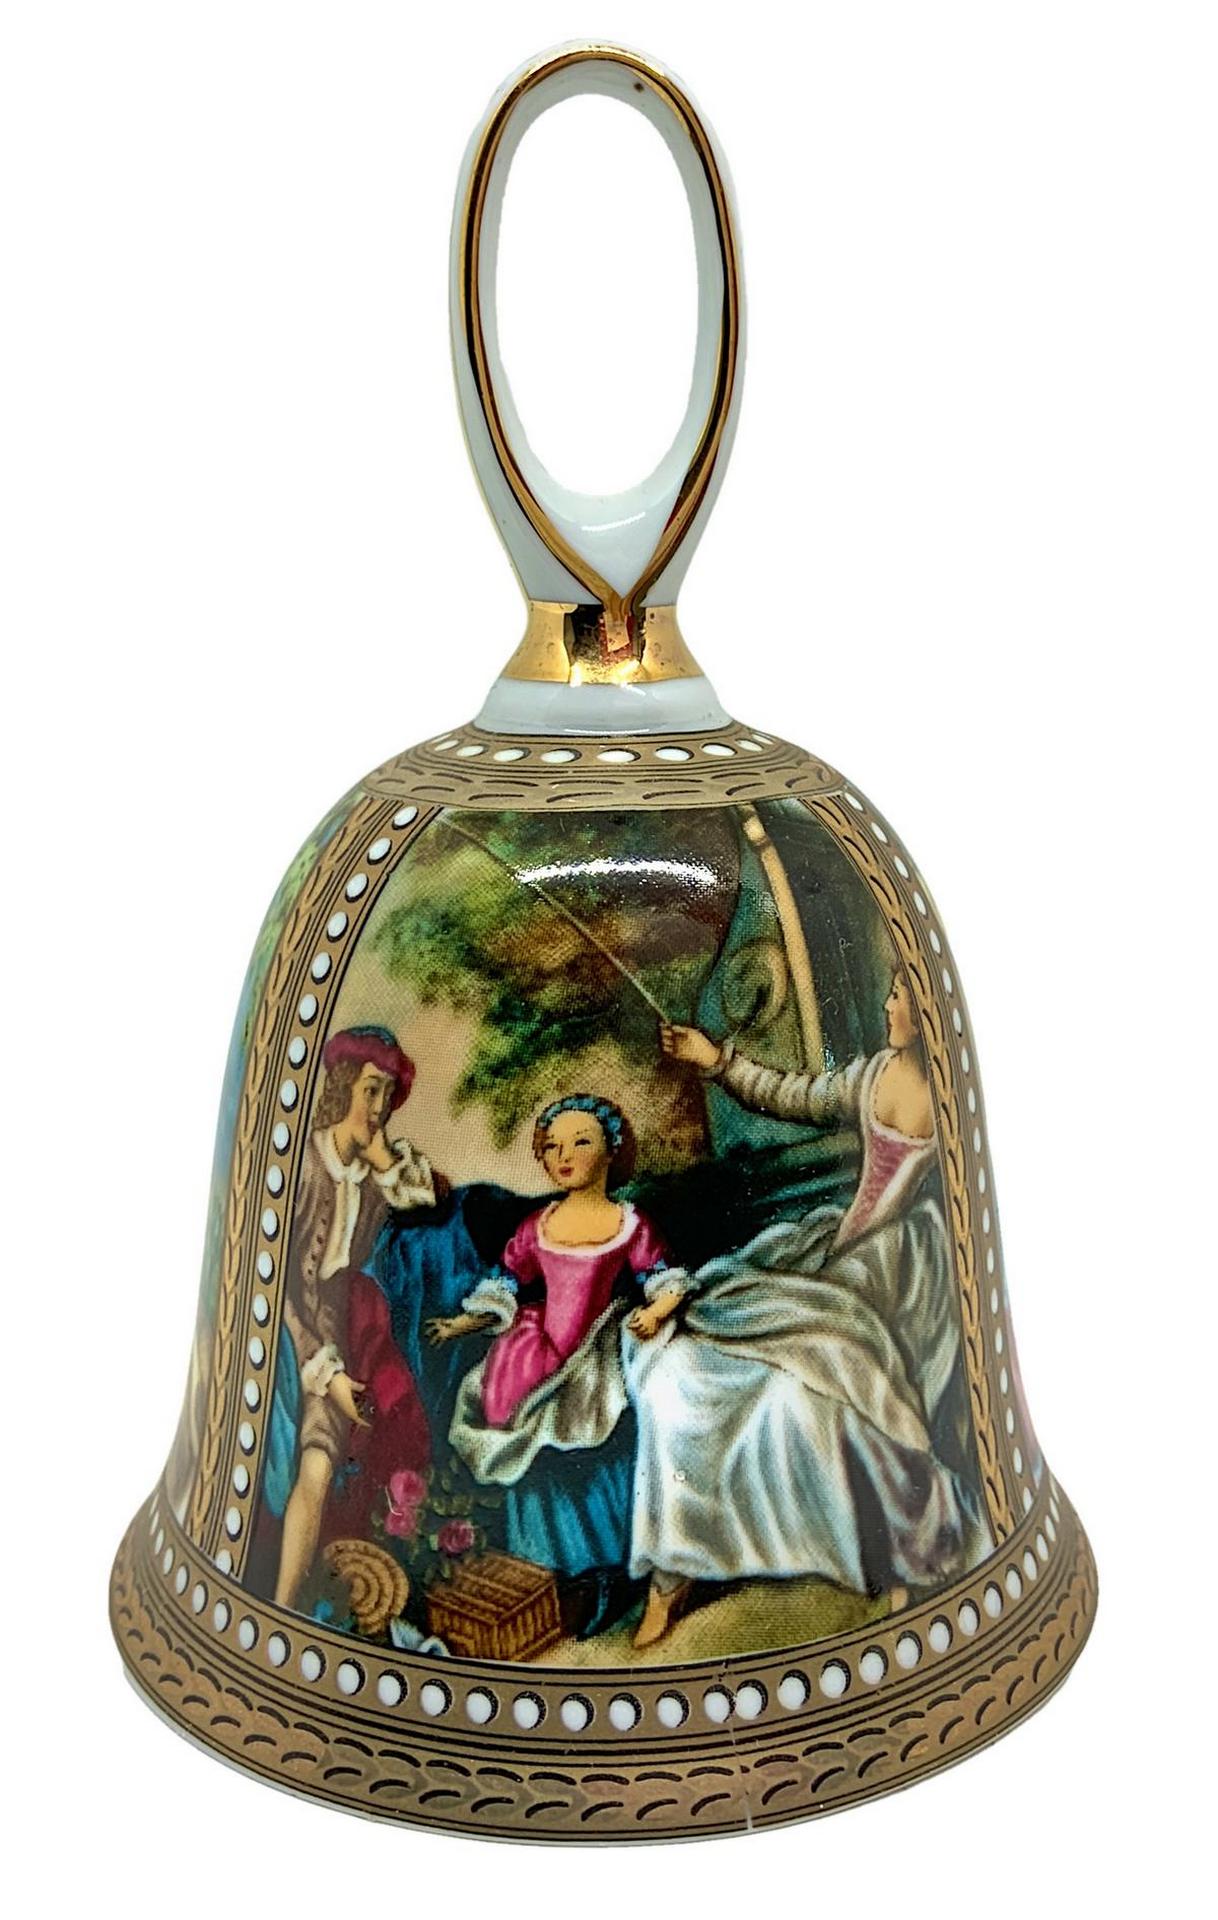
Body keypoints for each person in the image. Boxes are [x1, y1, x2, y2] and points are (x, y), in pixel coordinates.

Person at [624, 973, 992, 1648]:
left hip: (900, 1274)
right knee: (693, 1355)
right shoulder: (874, 1074)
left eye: (899, 995)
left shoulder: (954, 1092)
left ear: (928, 1014)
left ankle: (896, 1551)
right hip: (839, 1251)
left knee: (795, 1383)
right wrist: (717, 1060)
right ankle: (675, 1564)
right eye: (890, 991)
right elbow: (793, 1095)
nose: (888, 1003)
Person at [430, 1096, 676, 1610]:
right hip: (538, 1351)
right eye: (552, 1147)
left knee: (588, 1444)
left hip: (594, 1352)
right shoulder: (538, 1225)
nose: (564, 1156)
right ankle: (553, 1575)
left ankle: (609, 1573)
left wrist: (655, 1313)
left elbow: (663, 1280)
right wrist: (462, 1323)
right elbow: (504, 1284)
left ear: (611, 1149)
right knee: (520, 1421)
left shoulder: (628, 1223)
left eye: (580, 1142)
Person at [274, 1025, 438, 1610]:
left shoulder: (370, 1178)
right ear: (342, 1086)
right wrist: (327, 1373)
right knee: (317, 1463)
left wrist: (384, 1158)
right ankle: (283, 1606)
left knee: (396, 1415)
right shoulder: (304, 1169)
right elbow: (281, 1288)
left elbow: (426, 1201)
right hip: (299, 1331)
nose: (379, 1108)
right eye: (370, 1091)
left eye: (388, 1095)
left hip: (352, 1321)